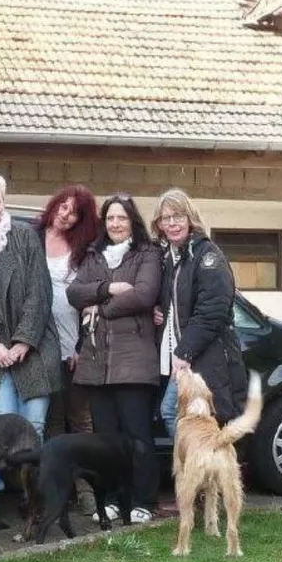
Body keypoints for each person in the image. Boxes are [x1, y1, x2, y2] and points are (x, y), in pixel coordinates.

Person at [0, 172, 63, 529]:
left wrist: (22, 341)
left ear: (3, 203)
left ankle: (32, 499)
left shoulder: (23, 236)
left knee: (33, 426)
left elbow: (40, 293)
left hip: (34, 348)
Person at [68, 192, 163, 523]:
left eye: (122, 217)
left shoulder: (148, 254)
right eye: (110, 218)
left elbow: (144, 294)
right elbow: (73, 293)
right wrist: (108, 289)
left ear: (132, 220)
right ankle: (111, 500)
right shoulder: (93, 256)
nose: (116, 223)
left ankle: (143, 500)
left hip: (134, 362)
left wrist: (101, 308)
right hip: (96, 364)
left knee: (137, 437)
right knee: (106, 441)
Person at [151, 187, 247, 439]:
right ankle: (197, 469)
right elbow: (177, 302)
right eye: (165, 218)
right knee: (186, 417)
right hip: (188, 359)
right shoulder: (173, 257)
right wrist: (159, 310)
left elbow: (211, 311)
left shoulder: (207, 255)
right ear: (159, 224)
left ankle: (198, 468)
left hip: (209, 358)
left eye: (178, 216)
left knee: (200, 419)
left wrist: (184, 352)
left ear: (190, 217)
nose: (172, 223)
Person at [37, 185, 100, 437]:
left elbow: (91, 299)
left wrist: (81, 346)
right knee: (51, 416)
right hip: (41, 341)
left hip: (73, 341)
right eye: (63, 207)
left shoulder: (84, 248)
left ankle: (85, 476)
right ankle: (56, 475)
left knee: (79, 417)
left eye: (74, 213)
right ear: (54, 205)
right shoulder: (32, 236)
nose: (65, 215)